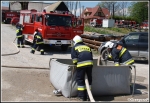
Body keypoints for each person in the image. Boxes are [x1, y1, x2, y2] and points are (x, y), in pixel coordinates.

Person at [71, 35, 93, 101]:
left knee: (80, 80)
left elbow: (74, 59)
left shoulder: (74, 47)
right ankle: (89, 96)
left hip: (81, 65)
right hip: (90, 64)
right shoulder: (87, 47)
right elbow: (90, 56)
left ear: (75, 41)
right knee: (89, 80)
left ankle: (82, 96)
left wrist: (75, 65)